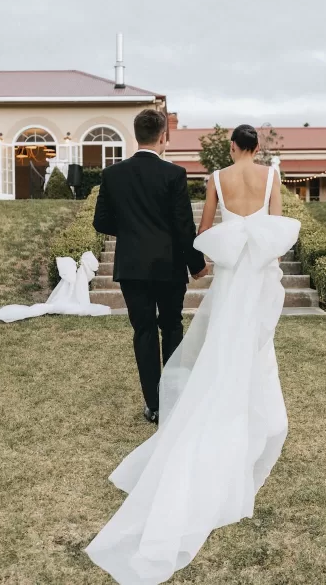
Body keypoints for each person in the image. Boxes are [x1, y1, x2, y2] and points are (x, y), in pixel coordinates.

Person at [87, 124, 300, 584]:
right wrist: (210, 262)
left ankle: (162, 401)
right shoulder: (269, 175)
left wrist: (203, 260)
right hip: (247, 273)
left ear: (230, 147)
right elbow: (276, 233)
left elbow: (200, 229)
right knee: (226, 339)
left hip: (187, 272)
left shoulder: (210, 178)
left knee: (168, 335)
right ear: (257, 147)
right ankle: (228, 402)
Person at [93, 109, 208, 424]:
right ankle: (172, 401)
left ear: (136, 136)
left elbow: (100, 221)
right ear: (163, 137)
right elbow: (184, 227)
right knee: (171, 327)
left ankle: (153, 405)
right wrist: (196, 265)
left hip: (132, 267)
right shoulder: (174, 174)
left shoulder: (113, 174)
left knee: (143, 331)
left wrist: (132, 232)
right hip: (169, 266)